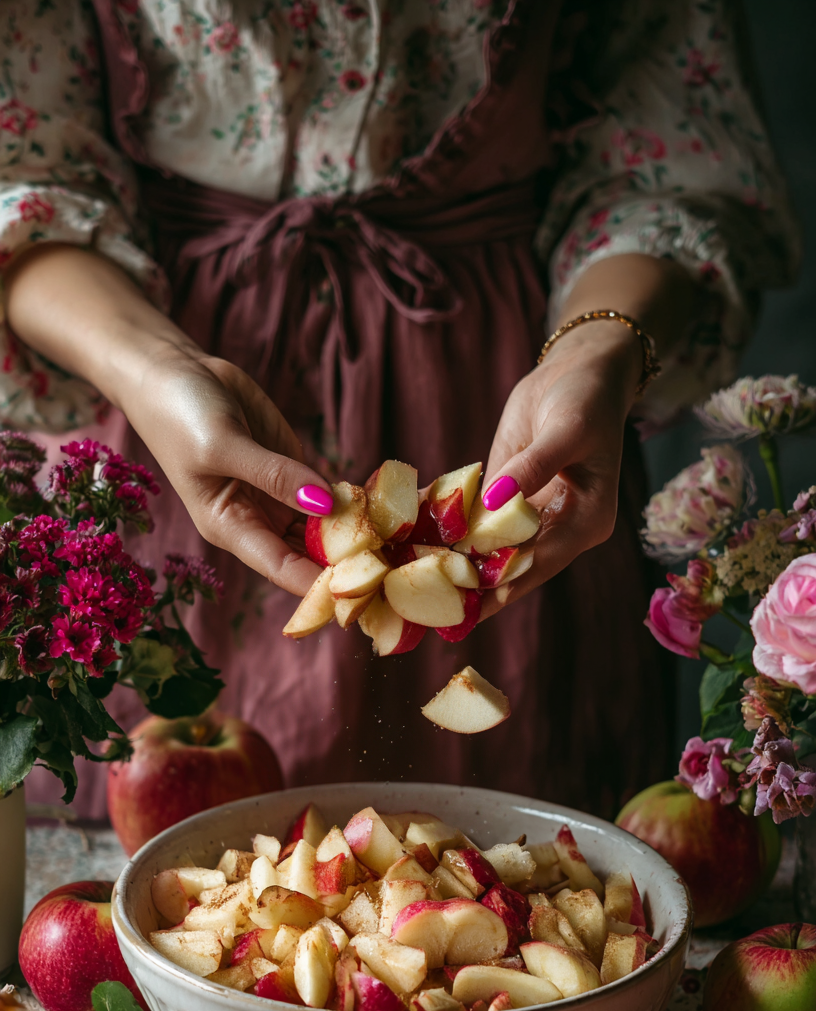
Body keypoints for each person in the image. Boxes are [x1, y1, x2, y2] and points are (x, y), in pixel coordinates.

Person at [0, 0, 798, 819]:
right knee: (154, 868)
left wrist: (595, 353)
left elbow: (660, 163)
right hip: (158, 399)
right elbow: (25, 175)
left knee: (527, 859)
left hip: (504, 403)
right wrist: (155, 370)